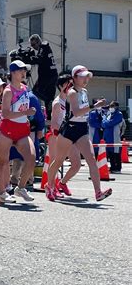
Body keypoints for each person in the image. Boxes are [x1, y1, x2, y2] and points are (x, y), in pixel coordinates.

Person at [46, 65, 112, 202]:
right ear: (74, 78)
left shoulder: (84, 91)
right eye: (82, 76)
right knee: (58, 160)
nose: (86, 79)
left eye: (87, 76)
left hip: (82, 128)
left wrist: (93, 107)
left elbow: (83, 112)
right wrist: (94, 106)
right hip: (69, 128)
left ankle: (98, 192)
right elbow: (76, 112)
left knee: (91, 160)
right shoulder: (72, 93)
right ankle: (49, 185)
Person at [0, 60, 37, 203]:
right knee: (1, 162)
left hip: (22, 129)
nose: (24, 73)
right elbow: (5, 113)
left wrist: (26, 116)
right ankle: (2, 193)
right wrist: (25, 112)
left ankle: (21, 188)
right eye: (20, 70)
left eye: (25, 70)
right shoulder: (8, 91)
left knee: (31, 159)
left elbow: (22, 109)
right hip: (7, 129)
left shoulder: (24, 88)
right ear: (12, 73)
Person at [45, 74, 81, 200]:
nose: (71, 86)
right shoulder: (57, 102)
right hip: (57, 136)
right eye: (68, 84)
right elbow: (54, 123)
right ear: (61, 86)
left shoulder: (67, 101)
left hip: (67, 135)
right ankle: (50, 187)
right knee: (55, 162)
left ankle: (62, 183)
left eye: (72, 84)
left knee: (76, 163)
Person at [22, 34, 58, 118]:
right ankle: (50, 115)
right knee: (49, 95)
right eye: (31, 46)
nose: (33, 47)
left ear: (38, 42)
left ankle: (50, 102)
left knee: (35, 92)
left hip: (47, 75)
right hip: (52, 75)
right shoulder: (46, 48)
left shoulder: (43, 46)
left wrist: (27, 59)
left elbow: (39, 59)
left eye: (34, 45)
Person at [102, 101, 124, 173]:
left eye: (112, 106)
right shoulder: (109, 114)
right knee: (110, 153)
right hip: (108, 137)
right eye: (110, 106)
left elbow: (110, 123)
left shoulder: (119, 114)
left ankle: (117, 168)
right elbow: (103, 124)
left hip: (115, 136)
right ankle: (112, 167)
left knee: (116, 152)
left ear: (116, 107)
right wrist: (105, 122)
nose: (111, 107)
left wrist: (105, 122)